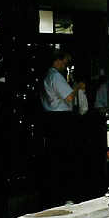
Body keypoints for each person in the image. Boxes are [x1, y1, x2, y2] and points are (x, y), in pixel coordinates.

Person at [40, 50, 87, 205]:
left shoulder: (47, 76)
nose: (65, 65)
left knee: (56, 155)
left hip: (51, 118)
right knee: (65, 155)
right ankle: (66, 193)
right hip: (61, 119)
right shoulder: (55, 76)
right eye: (65, 62)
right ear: (58, 61)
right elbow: (69, 97)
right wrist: (78, 87)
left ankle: (56, 193)